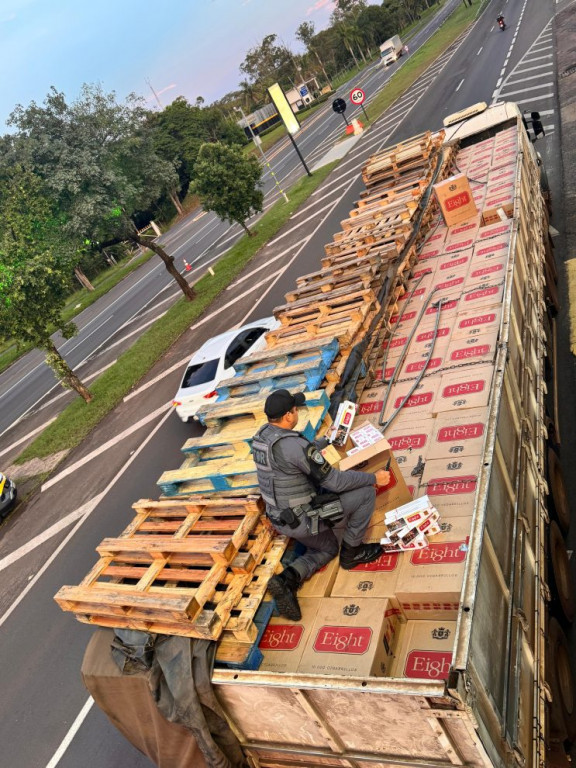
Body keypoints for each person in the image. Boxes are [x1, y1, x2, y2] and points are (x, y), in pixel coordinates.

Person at [252, 389, 391, 620]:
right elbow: (335, 481)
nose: (298, 412)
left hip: (280, 518)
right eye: (295, 409)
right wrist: (373, 478)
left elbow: (295, 459)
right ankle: (352, 553)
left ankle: (287, 580)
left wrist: (325, 440)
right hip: (304, 519)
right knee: (366, 493)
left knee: (327, 549)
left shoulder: (263, 437)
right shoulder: (292, 445)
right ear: (288, 416)